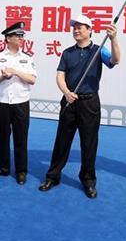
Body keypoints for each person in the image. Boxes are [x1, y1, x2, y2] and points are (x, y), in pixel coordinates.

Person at [38, 14, 120, 199]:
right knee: (62, 141)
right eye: (74, 27)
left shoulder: (99, 51)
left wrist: (114, 39)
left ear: (90, 30)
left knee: (89, 143)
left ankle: (88, 180)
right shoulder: (67, 52)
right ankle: (53, 176)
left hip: (89, 102)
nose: (76, 30)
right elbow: (60, 75)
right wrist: (66, 92)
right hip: (69, 101)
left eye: (80, 27)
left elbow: (115, 61)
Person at [0, 22, 37, 185]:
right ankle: (3, 167)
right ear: (8, 38)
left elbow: (32, 79)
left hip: (20, 103)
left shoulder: (27, 58)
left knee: (21, 137)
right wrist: (3, 77)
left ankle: (21, 171)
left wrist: (16, 72)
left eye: (22, 36)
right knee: (2, 136)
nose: (22, 38)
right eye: (18, 36)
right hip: (1, 102)